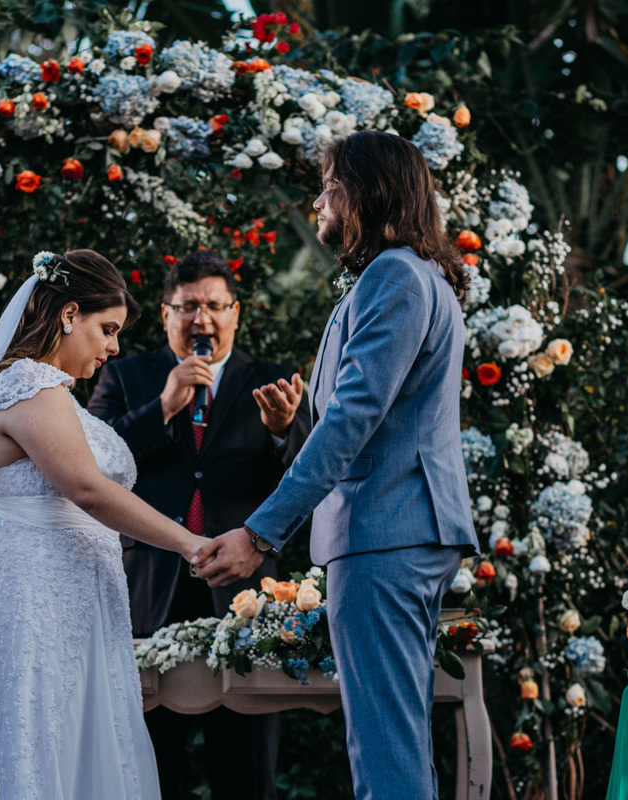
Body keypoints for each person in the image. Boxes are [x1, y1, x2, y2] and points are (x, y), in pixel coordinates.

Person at [195, 130, 479, 800]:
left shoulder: (394, 278)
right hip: (402, 530)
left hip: (389, 532)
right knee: (395, 741)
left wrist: (260, 534)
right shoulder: (412, 277)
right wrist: (287, 427)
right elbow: (365, 424)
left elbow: (352, 423)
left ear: (363, 192)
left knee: (382, 748)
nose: (317, 200)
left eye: (327, 185)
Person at [0, 250, 209, 800]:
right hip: (34, 600)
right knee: (31, 736)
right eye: (108, 328)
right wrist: (192, 544)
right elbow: (87, 489)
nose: (114, 346)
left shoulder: (54, 394)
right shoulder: (29, 384)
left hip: (72, 601)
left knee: (67, 737)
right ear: (69, 313)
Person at [87, 251, 311, 800]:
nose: (201, 319)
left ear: (236, 313)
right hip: (148, 593)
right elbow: (89, 466)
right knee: (145, 766)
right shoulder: (123, 375)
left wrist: (286, 430)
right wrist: (162, 406)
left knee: (247, 771)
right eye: (187, 307)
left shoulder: (271, 381)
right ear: (165, 314)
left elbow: (308, 480)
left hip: (244, 598)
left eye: (214, 306)